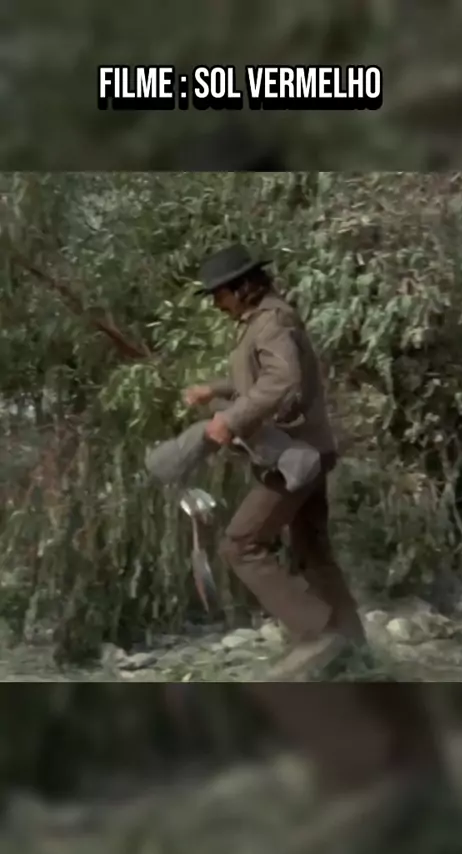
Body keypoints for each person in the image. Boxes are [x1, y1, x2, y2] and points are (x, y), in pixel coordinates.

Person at [184, 243, 366, 677]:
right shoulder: (265, 319)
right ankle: (354, 648)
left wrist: (231, 419)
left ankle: (317, 633)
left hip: (294, 458)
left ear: (241, 287)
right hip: (310, 451)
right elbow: (261, 379)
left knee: (240, 545)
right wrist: (216, 390)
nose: (216, 303)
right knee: (312, 551)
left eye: (218, 293)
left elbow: (282, 380)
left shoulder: (270, 321)